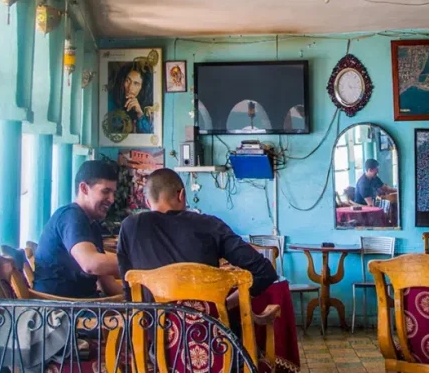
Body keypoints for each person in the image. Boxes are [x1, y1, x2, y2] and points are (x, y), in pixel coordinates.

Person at [117, 168, 278, 304]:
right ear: (181, 195)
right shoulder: (209, 225)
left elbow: (128, 289)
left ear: (147, 202)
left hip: (149, 328)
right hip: (203, 329)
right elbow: (265, 272)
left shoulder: (129, 227)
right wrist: (225, 306)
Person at [34, 160, 123, 298]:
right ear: (84, 188)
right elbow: (91, 264)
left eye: (113, 193)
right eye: (105, 191)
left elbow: (107, 283)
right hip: (60, 308)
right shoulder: (71, 216)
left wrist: (141, 297)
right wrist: (141, 262)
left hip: (82, 304)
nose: (112, 199)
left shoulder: (91, 224)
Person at [108, 62, 154, 134]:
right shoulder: (111, 99)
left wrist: (140, 113)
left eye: (136, 83)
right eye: (127, 81)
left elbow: (149, 135)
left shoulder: (149, 107)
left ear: (142, 87)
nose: (130, 88)